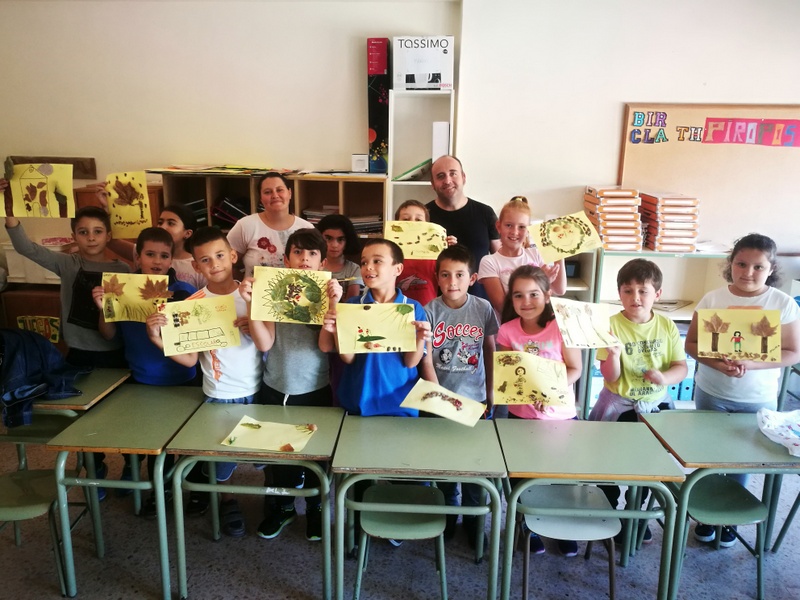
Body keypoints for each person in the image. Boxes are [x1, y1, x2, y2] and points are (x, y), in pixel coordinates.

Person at [685, 233, 800, 547]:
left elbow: (793, 352)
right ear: (731, 264)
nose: (748, 272)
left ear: (771, 269)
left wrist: (752, 364)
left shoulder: (782, 303)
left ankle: (730, 521)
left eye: (758, 266)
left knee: (742, 460)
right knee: (709, 455)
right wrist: (718, 364)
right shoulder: (712, 299)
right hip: (712, 391)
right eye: (741, 264)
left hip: (757, 398)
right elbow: (691, 344)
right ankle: (707, 516)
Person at [146, 226, 262, 537]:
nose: (215, 264)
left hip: (262, 390)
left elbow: (270, 343)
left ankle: (275, 501)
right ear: (196, 266)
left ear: (233, 256)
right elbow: (189, 359)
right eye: (206, 260)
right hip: (220, 393)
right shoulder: (193, 304)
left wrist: (253, 325)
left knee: (267, 455)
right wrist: (158, 339)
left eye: (220, 255)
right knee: (222, 458)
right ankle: (228, 500)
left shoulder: (252, 295)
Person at [241, 228, 342, 543]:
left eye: (312, 254)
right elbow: (264, 342)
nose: (304, 259)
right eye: (297, 252)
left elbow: (326, 345)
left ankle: (315, 509)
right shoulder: (275, 291)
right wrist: (253, 305)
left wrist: (333, 305)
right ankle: (283, 508)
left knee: (315, 458)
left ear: (322, 262)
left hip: (314, 389)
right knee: (278, 456)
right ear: (286, 260)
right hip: (275, 387)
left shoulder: (327, 294)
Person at [91, 226, 197, 512]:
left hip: (181, 381)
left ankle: (168, 491)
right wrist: (103, 308)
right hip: (141, 380)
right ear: (137, 257)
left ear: (172, 259)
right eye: (150, 254)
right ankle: (150, 484)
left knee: (174, 444)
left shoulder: (184, 292)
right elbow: (109, 335)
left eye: (164, 255)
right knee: (144, 441)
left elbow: (191, 345)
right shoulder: (120, 290)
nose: (157, 261)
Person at [589, 259, 687, 538]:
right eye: (628, 291)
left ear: (658, 294)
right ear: (619, 293)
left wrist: (664, 378)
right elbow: (609, 374)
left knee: (648, 466)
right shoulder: (610, 325)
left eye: (643, 291)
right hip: (618, 405)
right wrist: (613, 355)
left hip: (655, 408)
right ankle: (608, 511)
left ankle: (635, 516)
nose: (635, 297)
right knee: (608, 463)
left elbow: (681, 367)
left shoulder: (666, 325)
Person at [496, 265, 582, 557]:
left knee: (562, 477)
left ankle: (563, 526)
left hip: (561, 418)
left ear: (547, 295)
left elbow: (575, 369)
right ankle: (526, 526)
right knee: (522, 477)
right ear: (511, 298)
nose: (526, 301)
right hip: (521, 418)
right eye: (518, 295)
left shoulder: (560, 327)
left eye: (534, 294)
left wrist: (549, 391)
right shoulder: (507, 331)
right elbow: (508, 376)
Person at [423, 244, 498, 547]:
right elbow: (425, 358)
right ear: (437, 277)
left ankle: (474, 522)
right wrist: (437, 396)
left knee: (474, 466)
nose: (452, 281)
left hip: (474, 399)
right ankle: (448, 516)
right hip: (439, 401)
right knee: (444, 466)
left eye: (459, 274)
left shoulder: (483, 308)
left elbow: (490, 349)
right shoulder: (429, 310)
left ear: (472, 278)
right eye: (445, 275)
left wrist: (491, 391)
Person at [322, 238, 431, 417]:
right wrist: (337, 332)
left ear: (398, 269)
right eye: (364, 262)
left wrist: (420, 338)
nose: (368, 267)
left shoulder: (413, 308)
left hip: (400, 405)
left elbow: (411, 362)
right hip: (358, 402)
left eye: (377, 261)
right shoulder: (352, 306)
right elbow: (348, 358)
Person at [478, 196, 566, 318]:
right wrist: (541, 281)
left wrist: (560, 252)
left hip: (538, 326)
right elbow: (502, 307)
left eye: (521, 227)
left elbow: (559, 289)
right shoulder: (490, 262)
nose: (514, 232)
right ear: (498, 227)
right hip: (510, 328)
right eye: (509, 225)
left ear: (528, 229)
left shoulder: (535, 254)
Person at [425, 156, 499, 300]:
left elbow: (500, 259)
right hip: (435, 306)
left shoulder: (485, 213)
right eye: (440, 176)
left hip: (480, 304)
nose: (447, 180)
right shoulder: (423, 216)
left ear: (463, 177)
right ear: (433, 184)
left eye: (453, 173)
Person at [226, 172, 313, 277]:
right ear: (261, 198)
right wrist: (241, 283)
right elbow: (226, 263)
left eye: (280, 190)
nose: (275, 196)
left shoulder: (307, 228)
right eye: (267, 192)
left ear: (289, 193)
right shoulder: (245, 226)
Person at [393, 199, 457, 306]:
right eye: (405, 219)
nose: (412, 223)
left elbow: (452, 275)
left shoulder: (436, 254)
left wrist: (452, 251)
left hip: (428, 309)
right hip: (395, 308)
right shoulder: (390, 253)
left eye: (418, 220)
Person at [156, 203, 207, 289]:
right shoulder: (147, 256)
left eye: (171, 223)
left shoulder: (198, 265)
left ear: (187, 233)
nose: (162, 227)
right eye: (160, 223)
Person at [316, 213, 362, 300]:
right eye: (328, 238)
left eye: (340, 239)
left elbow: (351, 303)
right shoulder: (313, 266)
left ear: (348, 241)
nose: (334, 245)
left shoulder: (353, 269)